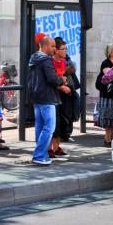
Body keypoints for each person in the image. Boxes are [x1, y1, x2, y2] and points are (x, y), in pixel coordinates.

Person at [28, 36, 62, 165]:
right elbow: (52, 79)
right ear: (45, 46)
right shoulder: (46, 60)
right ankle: (39, 155)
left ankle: (41, 154)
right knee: (49, 127)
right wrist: (61, 80)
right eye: (53, 46)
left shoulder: (34, 58)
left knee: (40, 127)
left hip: (36, 97)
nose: (54, 49)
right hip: (47, 97)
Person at [49, 38, 72, 158]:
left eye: (66, 48)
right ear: (56, 50)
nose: (66, 51)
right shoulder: (50, 62)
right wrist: (61, 87)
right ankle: (49, 149)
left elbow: (61, 77)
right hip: (51, 96)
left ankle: (57, 147)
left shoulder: (63, 61)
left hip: (61, 96)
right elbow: (50, 82)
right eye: (63, 49)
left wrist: (64, 84)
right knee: (53, 122)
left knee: (61, 121)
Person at [95, 43, 113, 147]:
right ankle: (107, 139)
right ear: (110, 53)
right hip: (107, 94)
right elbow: (110, 76)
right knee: (108, 117)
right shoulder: (106, 63)